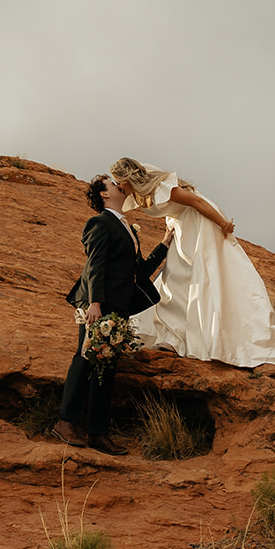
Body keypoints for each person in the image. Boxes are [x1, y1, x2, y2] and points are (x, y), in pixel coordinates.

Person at [109, 158, 275, 368]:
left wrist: (223, 223)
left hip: (201, 221)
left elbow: (197, 202)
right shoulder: (137, 194)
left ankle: (211, 338)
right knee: (176, 277)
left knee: (206, 273)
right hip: (181, 225)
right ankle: (175, 335)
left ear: (127, 178)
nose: (117, 186)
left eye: (118, 181)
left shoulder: (161, 188)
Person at [55, 174, 172, 455]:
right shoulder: (99, 223)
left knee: (106, 369)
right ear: (104, 195)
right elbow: (95, 264)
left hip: (118, 308)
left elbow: (139, 272)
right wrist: (94, 304)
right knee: (84, 361)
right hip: (97, 305)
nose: (119, 183)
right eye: (111, 182)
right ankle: (64, 422)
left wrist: (166, 244)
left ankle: (98, 433)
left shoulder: (127, 228)